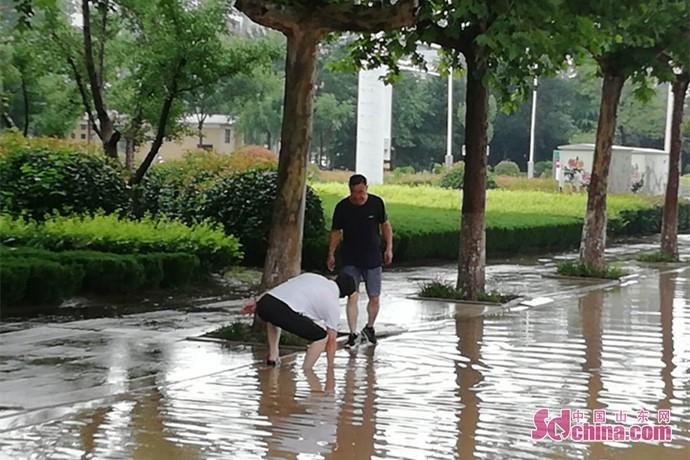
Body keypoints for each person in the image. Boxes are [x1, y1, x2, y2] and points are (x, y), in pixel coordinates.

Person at [327, 174, 393, 347]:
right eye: (355, 192)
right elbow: (335, 232)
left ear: (366, 188)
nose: (358, 196)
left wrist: (389, 248)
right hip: (350, 257)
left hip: (372, 257)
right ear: (350, 190)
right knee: (352, 295)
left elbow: (385, 225)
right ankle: (352, 332)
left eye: (361, 192)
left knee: (374, 296)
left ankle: (370, 327)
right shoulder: (342, 207)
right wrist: (331, 253)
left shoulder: (376, 203)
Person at [241, 272, 356, 370]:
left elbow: (283, 288)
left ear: (335, 278)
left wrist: (257, 301)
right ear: (345, 296)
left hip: (265, 302)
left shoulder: (312, 276)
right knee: (322, 337)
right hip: (280, 310)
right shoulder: (334, 306)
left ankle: (273, 356)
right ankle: (307, 370)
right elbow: (331, 342)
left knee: (275, 318)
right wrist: (330, 367)